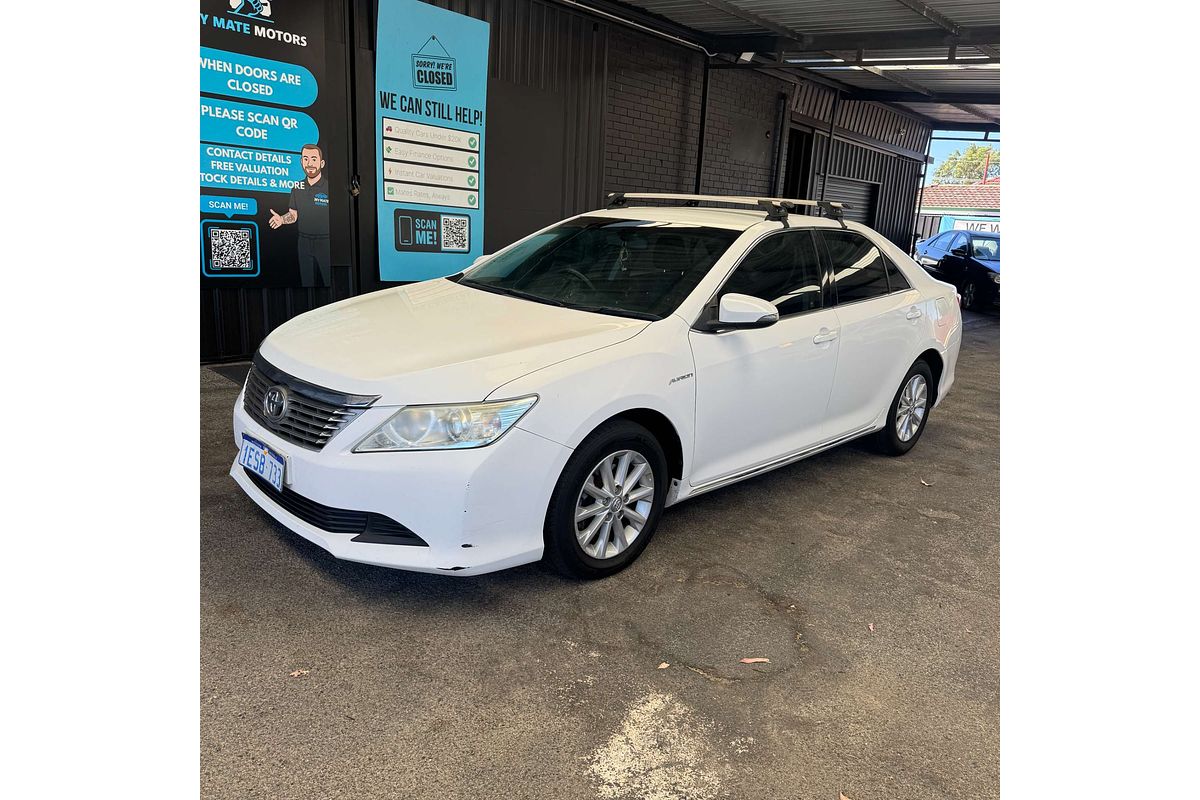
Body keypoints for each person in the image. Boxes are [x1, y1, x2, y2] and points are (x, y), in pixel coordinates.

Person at [269, 144, 330, 288]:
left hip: (325, 242)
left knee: (329, 281)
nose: (310, 164)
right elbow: (293, 215)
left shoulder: (329, 187)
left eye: (314, 159)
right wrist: (282, 220)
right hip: (303, 242)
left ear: (321, 163)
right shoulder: (296, 187)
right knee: (306, 283)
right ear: (301, 162)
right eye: (306, 159)